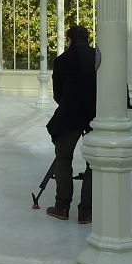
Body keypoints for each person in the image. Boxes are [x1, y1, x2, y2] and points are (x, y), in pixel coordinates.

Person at [45, 25, 96, 224]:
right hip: (94, 116)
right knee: (93, 162)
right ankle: (86, 211)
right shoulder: (98, 57)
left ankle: (62, 207)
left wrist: (68, 103)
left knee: (63, 159)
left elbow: (58, 93)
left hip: (69, 115)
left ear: (70, 40)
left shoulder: (61, 60)